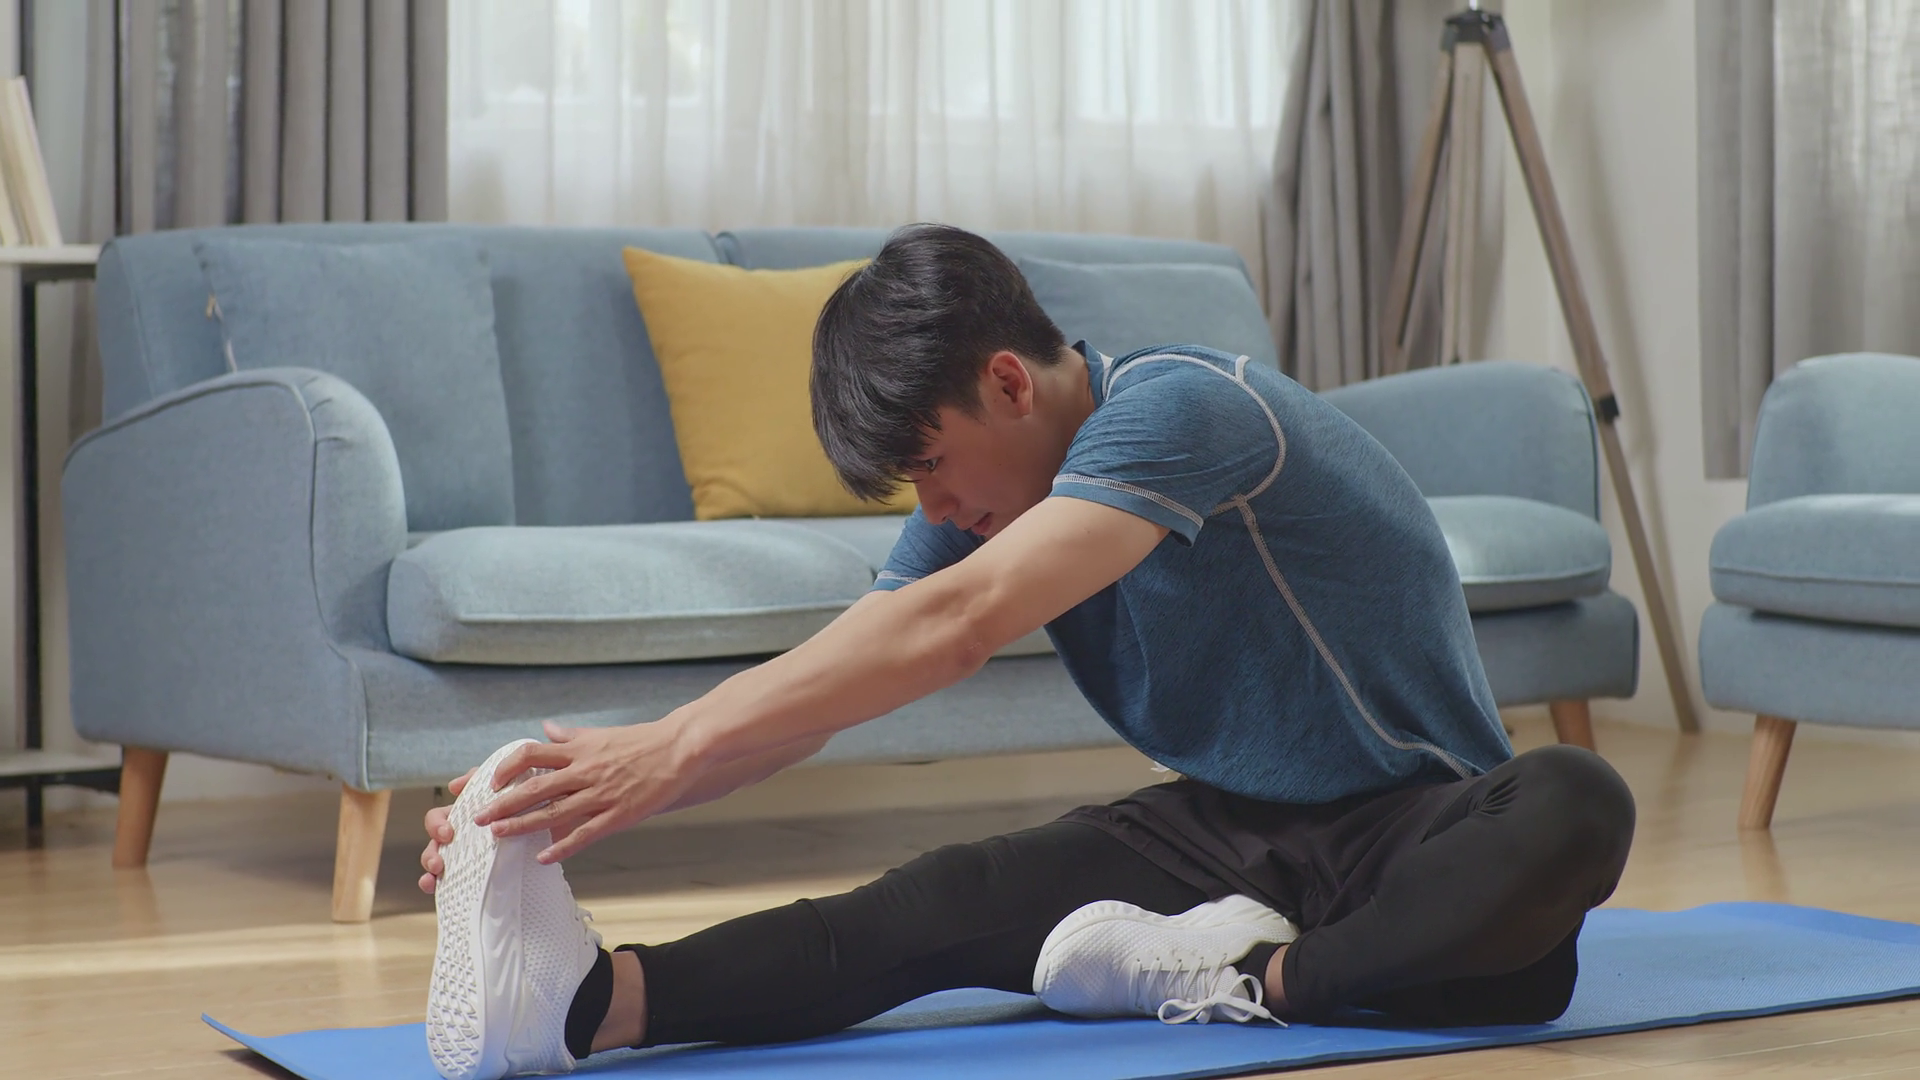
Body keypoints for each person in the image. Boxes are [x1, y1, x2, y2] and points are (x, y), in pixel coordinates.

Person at [415, 225, 1636, 1080]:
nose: (935, 508)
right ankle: (590, 1003)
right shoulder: (977, 499)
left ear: (1008, 383)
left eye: (931, 465)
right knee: (930, 903)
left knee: (1575, 810)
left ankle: (1252, 976)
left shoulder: (1181, 409)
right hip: (1218, 830)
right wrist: (574, 797)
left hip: (1412, 825)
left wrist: (668, 745)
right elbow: (830, 692)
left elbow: (958, 626)